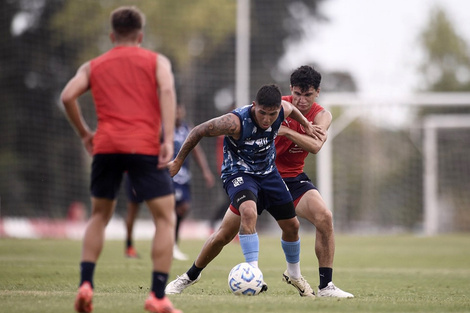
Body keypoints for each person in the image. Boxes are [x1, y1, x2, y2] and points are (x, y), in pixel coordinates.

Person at [165, 65, 354, 298]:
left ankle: (306, 279)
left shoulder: (286, 110)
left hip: (272, 175)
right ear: (256, 106)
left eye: (272, 115)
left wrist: (301, 125)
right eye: (297, 94)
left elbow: (298, 121)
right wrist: (177, 162)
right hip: (241, 174)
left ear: (317, 92)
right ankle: (200, 276)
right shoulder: (235, 122)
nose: (267, 119)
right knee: (233, 225)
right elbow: (199, 130)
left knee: (298, 225)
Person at [60, 6, 182, 313]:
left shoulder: (93, 65)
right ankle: (156, 296)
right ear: (140, 35)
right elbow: (167, 90)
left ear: (113, 35)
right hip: (143, 146)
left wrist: (86, 134)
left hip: (106, 146)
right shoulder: (157, 61)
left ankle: (86, 285)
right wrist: (167, 139)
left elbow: (67, 96)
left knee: (99, 215)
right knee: (165, 218)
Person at [124, 103, 215, 260]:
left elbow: (197, 152)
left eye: (180, 110)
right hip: (156, 174)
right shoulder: (161, 128)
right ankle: (130, 245)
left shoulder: (188, 128)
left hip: (180, 176)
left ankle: (171, 245)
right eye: (175, 111)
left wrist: (206, 171)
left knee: (182, 208)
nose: (178, 114)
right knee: (137, 210)